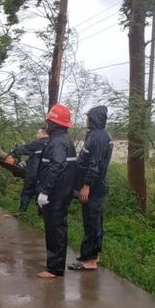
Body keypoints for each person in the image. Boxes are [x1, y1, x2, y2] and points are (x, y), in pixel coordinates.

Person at [68, 105, 113, 271]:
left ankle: (90, 260)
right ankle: (91, 254)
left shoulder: (99, 137)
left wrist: (86, 185)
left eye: (88, 117)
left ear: (94, 118)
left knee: (92, 222)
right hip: (95, 185)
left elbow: (96, 165)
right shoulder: (96, 134)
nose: (86, 119)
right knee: (94, 221)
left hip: (93, 187)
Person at [35, 104, 77, 279]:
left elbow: (57, 166)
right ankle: (55, 264)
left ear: (55, 123)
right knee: (58, 228)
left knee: (55, 229)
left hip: (56, 194)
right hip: (62, 191)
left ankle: (54, 268)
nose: (47, 124)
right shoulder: (63, 139)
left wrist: (45, 191)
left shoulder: (58, 142)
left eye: (49, 121)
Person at [4, 127, 49, 213]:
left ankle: (21, 212)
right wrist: (24, 163)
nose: (37, 135)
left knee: (27, 192)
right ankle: (41, 215)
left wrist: (12, 154)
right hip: (45, 176)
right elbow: (36, 157)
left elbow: (23, 149)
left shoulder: (38, 143)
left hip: (33, 173)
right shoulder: (53, 144)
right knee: (41, 194)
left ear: (43, 134)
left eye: (38, 133)